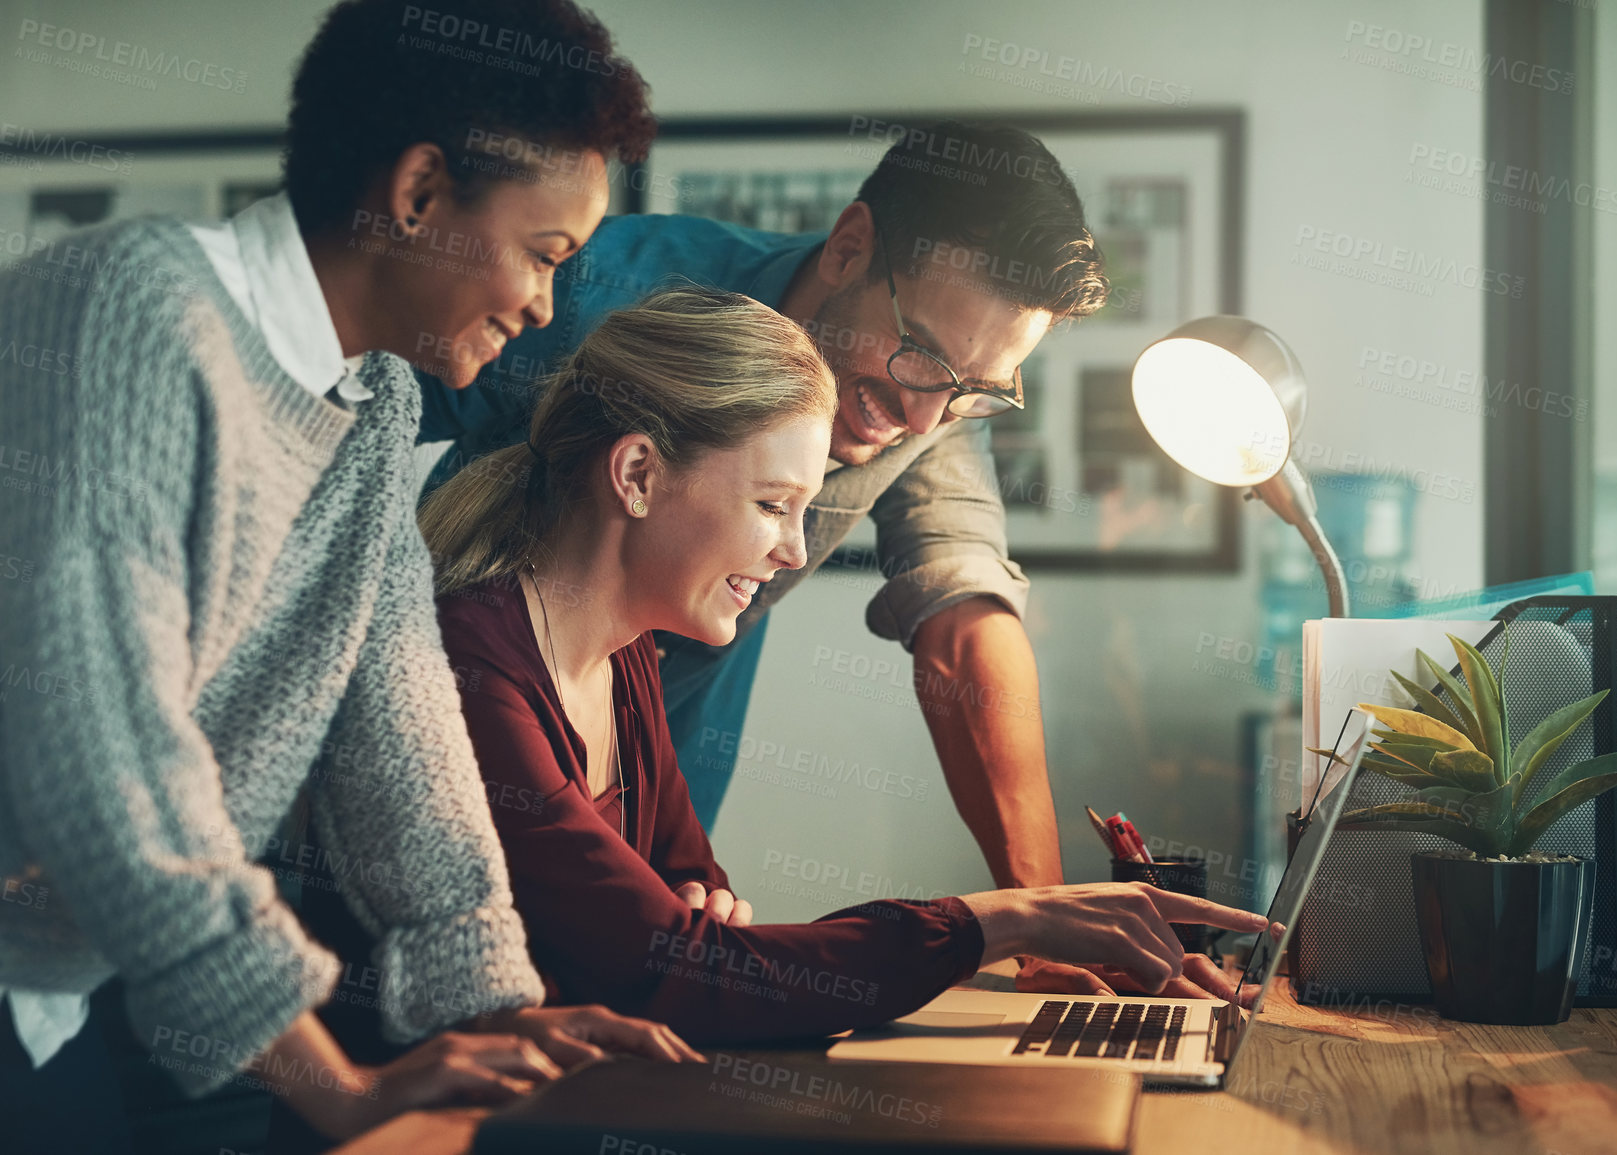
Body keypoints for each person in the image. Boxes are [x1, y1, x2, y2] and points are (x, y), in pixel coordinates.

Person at [0, 2, 701, 1148]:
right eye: (545, 253)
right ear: (419, 192)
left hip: (56, 989)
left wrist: (506, 1013)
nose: (541, 304)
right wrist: (344, 1091)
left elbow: (400, 717)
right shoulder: (136, 313)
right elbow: (104, 753)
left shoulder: (371, 407)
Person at [415, 285, 1268, 1041]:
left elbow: (691, 905)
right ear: (637, 473)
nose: (793, 551)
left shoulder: (624, 654)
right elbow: (685, 971)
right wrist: (1000, 922)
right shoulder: (472, 670)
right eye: (771, 505)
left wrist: (684, 934)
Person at [417, 121, 1120, 995]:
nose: (926, 418)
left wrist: (1050, 915)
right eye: (927, 358)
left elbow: (966, 615)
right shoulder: (593, 291)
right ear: (851, 247)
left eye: (975, 392)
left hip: (652, 745)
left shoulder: (928, 402)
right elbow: (353, 406)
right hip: (462, 723)